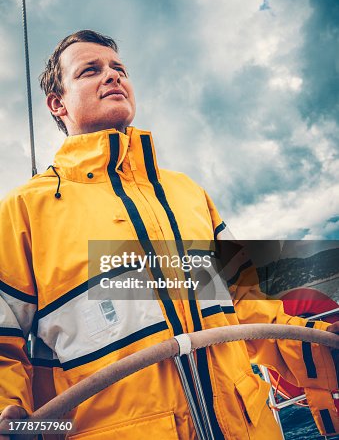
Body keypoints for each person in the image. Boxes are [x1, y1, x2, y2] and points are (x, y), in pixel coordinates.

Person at [0, 30, 338, 440]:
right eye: (91, 70)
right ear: (58, 103)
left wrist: (318, 346)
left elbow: (244, 303)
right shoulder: (22, 212)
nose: (112, 77)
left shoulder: (189, 194)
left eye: (118, 69)